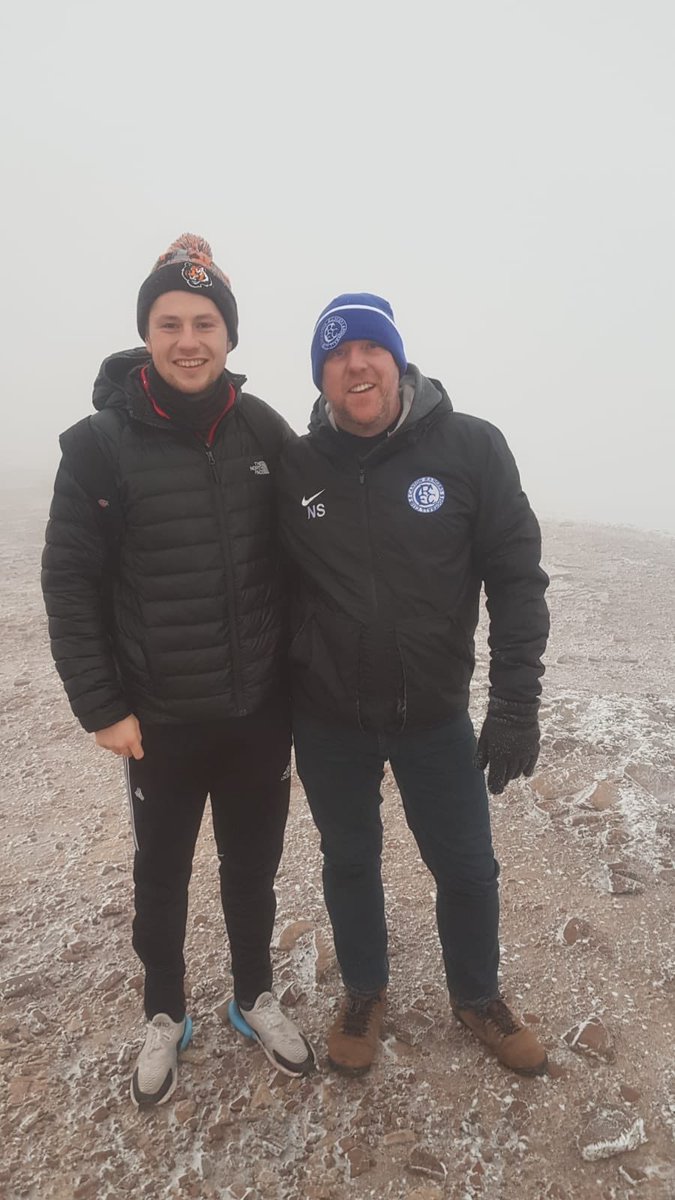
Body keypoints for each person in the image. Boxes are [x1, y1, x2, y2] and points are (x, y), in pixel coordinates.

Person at [41, 234, 315, 1108]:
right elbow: (69, 580)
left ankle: (252, 994)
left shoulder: (266, 428)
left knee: (252, 867)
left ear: (228, 336)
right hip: (157, 720)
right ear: (146, 334)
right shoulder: (97, 446)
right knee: (161, 873)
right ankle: (164, 1011)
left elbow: (312, 554)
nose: (188, 339)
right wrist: (100, 704)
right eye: (170, 323)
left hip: (258, 714)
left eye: (205, 322)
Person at [277, 293, 550, 1076]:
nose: (354, 364)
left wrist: (513, 704)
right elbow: (200, 418)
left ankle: (476, 994)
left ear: (396, 358)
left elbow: (516, 579)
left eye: (368, 347)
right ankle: (364, 990)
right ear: (321, 375)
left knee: (467, 868)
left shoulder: (471, 448)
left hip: (433, 716)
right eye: (334, 354)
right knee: (350, 860)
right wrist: (190, 282)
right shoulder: (296, 464)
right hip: (328, 720)